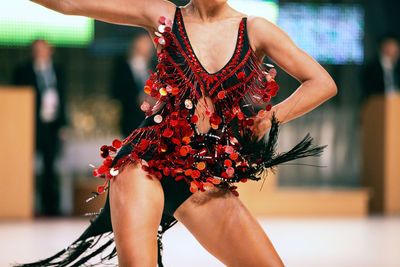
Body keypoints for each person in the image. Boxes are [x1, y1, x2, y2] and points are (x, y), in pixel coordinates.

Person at [18, 0, 337, 266]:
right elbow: (69, 2)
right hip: (145, 163)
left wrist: (269, 117)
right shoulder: (164, 16)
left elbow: (321, 83)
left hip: (202, 174)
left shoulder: (254, 29)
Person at [12, 39, 67, 216]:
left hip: (51, 125)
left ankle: (50, 207)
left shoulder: (58, 71)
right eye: (37, 49)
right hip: (30, 125)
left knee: (50, 167)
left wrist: (63, 124)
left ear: (51, 50)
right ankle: (21, 204)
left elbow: (63, 98)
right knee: (23, 165)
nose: (40, 52)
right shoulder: (22, 71)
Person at [111, 33, 155, 137]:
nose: (148, 46)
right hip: (131, 120)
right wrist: (137, 98)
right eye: (144, 43)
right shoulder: (123, 67)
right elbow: (116, 91)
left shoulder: (154, 66)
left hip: (151, 122)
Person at [362, 34, 400, 102]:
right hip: (377, 105)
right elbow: (369, 93)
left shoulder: (397, 68)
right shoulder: (371, 69)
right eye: (392, 45)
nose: (396, 49)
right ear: (384, 46)